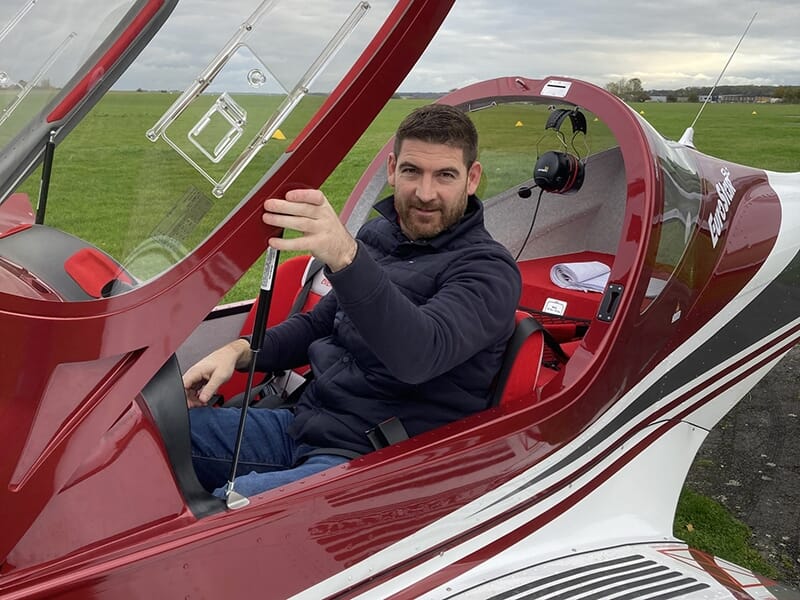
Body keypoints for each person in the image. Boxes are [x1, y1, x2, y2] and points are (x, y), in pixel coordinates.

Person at [183, 104, 522, 498]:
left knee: (225, 510)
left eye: (445, 175)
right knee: (154, 439)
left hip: (373, 462)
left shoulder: (489, 271)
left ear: (472, 178)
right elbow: (319, 324)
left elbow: (419, 355)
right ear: (393, 169)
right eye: (412, 171)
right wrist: (239, 350)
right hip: (302, 425)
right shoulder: (379, 236)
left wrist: (348, 257)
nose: (425, 194)